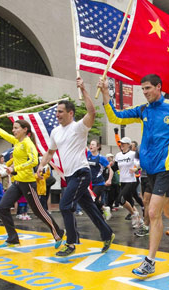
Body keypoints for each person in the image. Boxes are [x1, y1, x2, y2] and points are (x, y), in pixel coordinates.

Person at [100, 74, 169, 277]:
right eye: (142, 89)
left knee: (153, 213)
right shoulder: (143, 110)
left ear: (159, 87)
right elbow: (115, 117)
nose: (145, 92)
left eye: (148, 88)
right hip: (149, 171)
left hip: (168, 168)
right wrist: (105, 94)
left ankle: (150, 261)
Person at [37, 79, 114, 256]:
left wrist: (84, 90)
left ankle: (71, 243)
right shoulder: (56, 132)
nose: (57, 114)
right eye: (56, 112)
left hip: (81, 173)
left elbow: (92, 112)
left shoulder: (79, 127)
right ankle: (107, 233)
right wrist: (41, 166)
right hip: (70, 176)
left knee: (65, 206)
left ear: (70, 113)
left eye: (60, 112)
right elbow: (50, 152)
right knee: (90, 208)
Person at [0, 117, 65, 250]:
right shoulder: (17, 142)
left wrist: (15, 169)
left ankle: (58, 233)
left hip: (27, 183)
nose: (13, 130)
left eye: (16, 128)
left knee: (39, 211)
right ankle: (13, 238)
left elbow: (33, 161)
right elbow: (4, 134)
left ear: (25, 130)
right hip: (17, 183)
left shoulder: (28, 143)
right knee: (2, 207)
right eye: (13, 128)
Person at [114, 137, 143, 226]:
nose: (121, 144)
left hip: (131, 181)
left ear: (128, 145)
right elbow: (114, 167)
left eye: (123, 143)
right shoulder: (118, 155)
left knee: (120, 200)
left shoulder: (133, 154)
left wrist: (136, 169)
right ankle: (139, 220)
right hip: (122, 181)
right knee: (130, 202)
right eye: (121, 143)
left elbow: (141, 163)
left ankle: (134, 214)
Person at [86, 139, 113, 220]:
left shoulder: (101, 158)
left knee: (92, 199)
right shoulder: (87, 155)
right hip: (89, 183)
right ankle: (104, 209)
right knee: (93, 200)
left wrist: (109, 180)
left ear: (98, 147)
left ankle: (100, 215)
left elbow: (111, 170)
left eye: (93, 144)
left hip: (99, 183)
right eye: (90, 144)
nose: (91, 146)